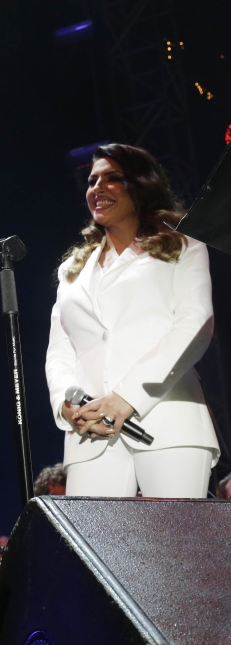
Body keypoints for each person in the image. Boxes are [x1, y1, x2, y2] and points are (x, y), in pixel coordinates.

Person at [45, 143, 219, 498]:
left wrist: (127, 397)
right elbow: (60, 349)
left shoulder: (182, 246)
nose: (97, 188)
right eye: (92, 181)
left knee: (176, 534)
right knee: (94, 535)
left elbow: (195, 324)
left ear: (140, 184)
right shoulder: (72, 270)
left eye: (112, 178)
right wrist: (67, 405)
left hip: (169, 422)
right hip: (91, 432)